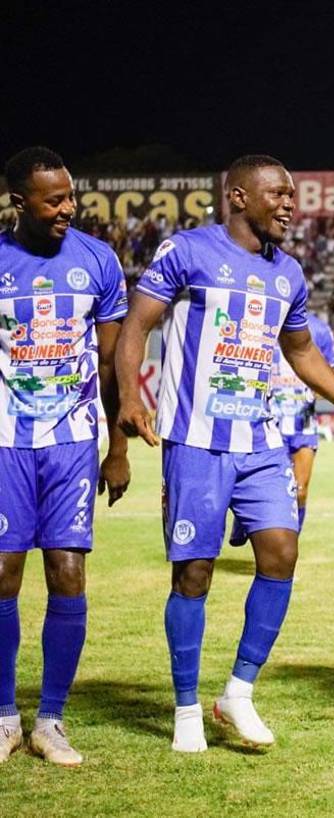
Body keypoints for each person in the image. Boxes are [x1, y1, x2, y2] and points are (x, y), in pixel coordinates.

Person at [115, 155, 334, 753]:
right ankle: (187, 707)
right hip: (196, 439)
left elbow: (301, 352)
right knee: (194, 571)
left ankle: (237, 693)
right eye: (278, 195)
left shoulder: (288, 273)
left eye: (293, 196)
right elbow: (138, 324)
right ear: (239, 197)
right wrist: (127, 397)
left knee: (281, 550)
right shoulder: (186, 251)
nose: (291, 205)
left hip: (261, 438)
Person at [0, 147, 131, 766]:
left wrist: (119, 449)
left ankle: (50, 721)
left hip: (74, 442)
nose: (66, 209)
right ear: (18, 202)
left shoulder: (97, 260)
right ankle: (4, 716)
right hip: (5, 442)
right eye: (53, 200)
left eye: (70, 197)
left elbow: (109, 365)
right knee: (2, 572)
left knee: (68, 573)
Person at [230, 311, 334, 546]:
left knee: (300, 491)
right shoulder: (260, 323)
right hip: (266, 422)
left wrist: (313, 390)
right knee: (255, 484)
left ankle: (289, 553)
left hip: (303, 423)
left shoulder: (319, 329)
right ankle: (242, 518)